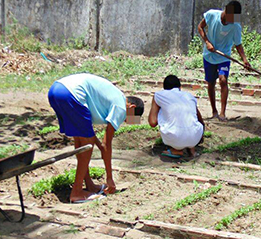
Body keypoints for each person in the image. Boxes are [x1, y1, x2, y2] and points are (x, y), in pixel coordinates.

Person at [48, 73, 144, 203]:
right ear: (131, 107)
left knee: (82, 143)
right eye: (130, 119)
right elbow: (107, 144)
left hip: (56, 90)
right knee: (87, 146)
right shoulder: (121, 107)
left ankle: (89, 185)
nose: (125, 121)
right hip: (72, 93)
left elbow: (92, 139)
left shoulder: (113, 97)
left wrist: (98, 144)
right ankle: (76, 192)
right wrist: (109, 178)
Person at [197, 0, 251, 121]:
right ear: (226, 10)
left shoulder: (235, 25)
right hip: (209, 55)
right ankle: (214, 111)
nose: (232, 20)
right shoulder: (211, 15)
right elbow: (200, 27)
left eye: (234, 18)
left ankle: (222, 113)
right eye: (231, 16)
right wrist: (207, 42)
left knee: (223, 80)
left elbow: (238, 44)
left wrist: (244, 60)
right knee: (211, 83)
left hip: (224, 56)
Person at [148, 75, 205, 158]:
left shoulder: (159, 95)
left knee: (163, 110)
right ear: (180, 87)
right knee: (187, 119)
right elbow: (200, 120)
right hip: (195, 138)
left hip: (173, 138)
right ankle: (191, 150)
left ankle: (176, 150)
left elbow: (152, 123)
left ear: (164, 88)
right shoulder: (189, 96)